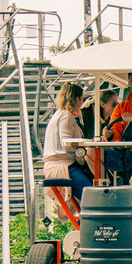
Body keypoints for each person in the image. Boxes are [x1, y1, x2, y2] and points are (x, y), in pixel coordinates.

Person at [43, 83, 93, 215]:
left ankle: (86, 228)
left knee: (90, 195)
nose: (82, 102)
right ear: (77, 99)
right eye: (82, 99)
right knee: (92, 196)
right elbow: (66, 143)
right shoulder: (66, 116)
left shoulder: (59, 114)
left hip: (59, 164)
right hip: (64, 165)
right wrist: (86, 146)